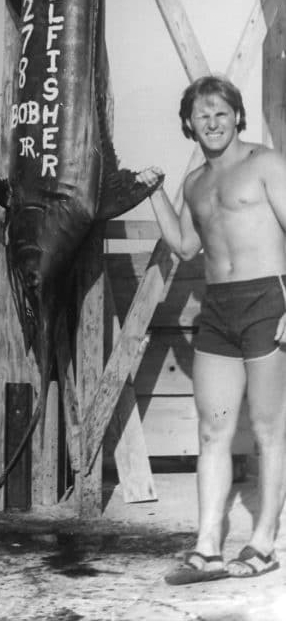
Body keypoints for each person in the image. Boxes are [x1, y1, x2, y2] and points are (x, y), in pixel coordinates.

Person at [138, 76, 286, 584]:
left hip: (269, 298)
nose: (213, 122)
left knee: (268, 430)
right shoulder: (195, 182)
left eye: (221, 112)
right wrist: (154, 193)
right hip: (219, 309)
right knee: (212, 430)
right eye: (202, 115)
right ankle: (207, 547)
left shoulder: (265, 163)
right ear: (188, 124)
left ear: (237, 116)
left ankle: (263, 542)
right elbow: (183, 246)